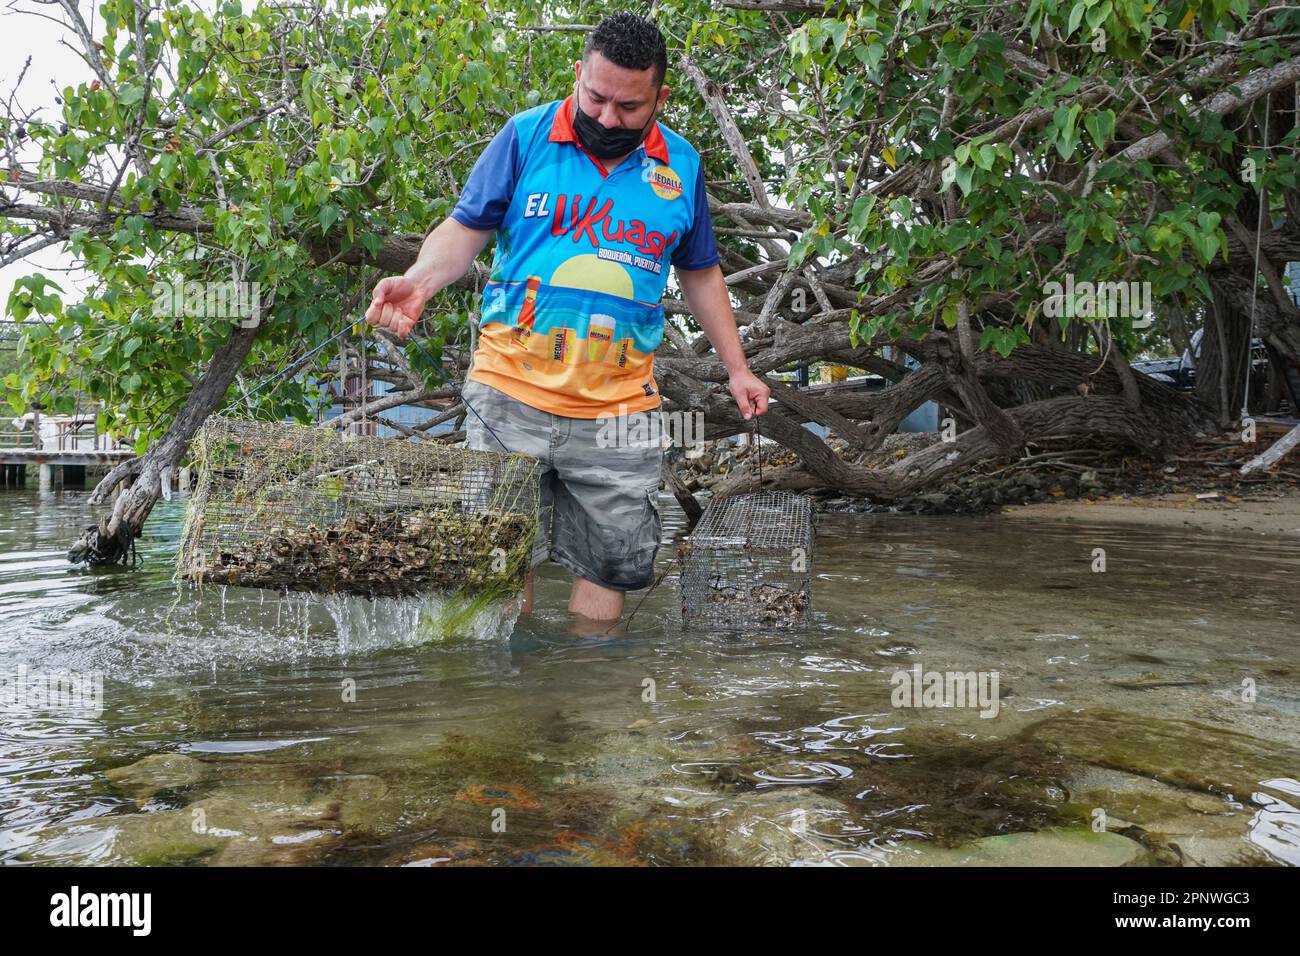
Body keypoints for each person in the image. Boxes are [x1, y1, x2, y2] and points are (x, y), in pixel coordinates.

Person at [365, 12, 769, 622]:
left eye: (629, 107)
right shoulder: (524, 137)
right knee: (498, 566)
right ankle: (511, 708)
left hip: (620, 410)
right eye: (596, 97)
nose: (607, 118)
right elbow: (464, 229)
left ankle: (588, 706)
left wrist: (737, 368)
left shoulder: (680, 167)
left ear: (660, 97)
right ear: (578, 74)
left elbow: (701, 270)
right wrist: (419, 281)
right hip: (508, 392)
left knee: (612, 566)